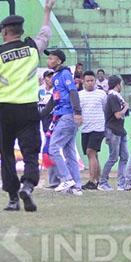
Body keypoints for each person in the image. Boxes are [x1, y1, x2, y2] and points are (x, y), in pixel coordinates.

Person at [0, 1, 55, 212]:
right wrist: (47, 12)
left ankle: (12, 198)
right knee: (30, 151)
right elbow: (45, 34)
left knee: (7, 154)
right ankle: (27, 185)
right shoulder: (32, 48)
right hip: (28, 109)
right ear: (20, 31)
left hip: (5, 110)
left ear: (5, 32)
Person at [45, 49, 84, 195]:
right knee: (69, 152)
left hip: (67, 116)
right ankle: (76, 186)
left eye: (51, 58)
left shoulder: (65, 74)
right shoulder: (57, 76)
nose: (49, 60)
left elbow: (73, 92)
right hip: (65, 116)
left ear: (59, 61)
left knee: (53, 148)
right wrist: (41, 114)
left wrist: (78, 112)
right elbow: (54, 99)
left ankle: (66, 178)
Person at [100, 75, 130, 191]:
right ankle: (103, 182)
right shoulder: (112, 96)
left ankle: (121, 184)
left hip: (120, 130)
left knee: (124, 156)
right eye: (120, 84)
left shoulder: (118, 97)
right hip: (113, 130)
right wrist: (125, 108)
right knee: (113, 157)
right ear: (117, 84)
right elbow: (118, 115)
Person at [78, 71, 107, 190]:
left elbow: (106, 108)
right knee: (93, 155)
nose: (90, 83)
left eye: (92, 81)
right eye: (87, 81)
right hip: (85, 128)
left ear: (95, 81)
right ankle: (99, 180)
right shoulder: (79, 95)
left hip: (98, 128)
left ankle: (91, 181)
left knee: (90, 151)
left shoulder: (101, 94)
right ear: (83, 82)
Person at [38, 70, 59, 189]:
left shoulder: (56, 90)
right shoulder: (39, 90)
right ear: (44, 78)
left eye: (52, 77)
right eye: (48, 77)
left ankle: (56, 180)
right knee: (49, 149)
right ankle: (55, 179)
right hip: (44, 121)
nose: (50, 79)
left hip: (54, 119)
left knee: (51, 149)